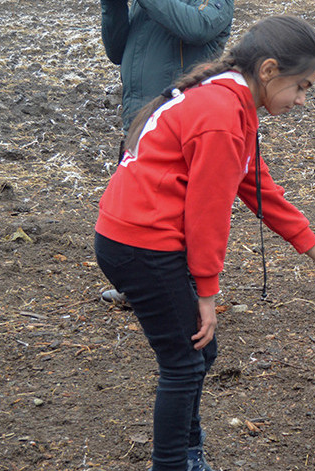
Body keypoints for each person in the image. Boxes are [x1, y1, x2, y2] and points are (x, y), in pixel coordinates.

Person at [93, 16, 315, 471]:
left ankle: (187, 461)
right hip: (140, 243)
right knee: (184, 360)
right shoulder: (222, 113)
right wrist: (207, 294)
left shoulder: (233, 100)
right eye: (302, 86)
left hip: (142, 238)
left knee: (200, 351)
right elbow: (207, 213)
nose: (303, 100)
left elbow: (258, 188)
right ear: (268, 70)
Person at [100, 0, 235, 306]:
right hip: (138, 115)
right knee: (139, 203)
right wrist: (113, 6)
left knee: (179, 208)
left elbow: (195, 28)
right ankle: (139, 286)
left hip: (181, 118)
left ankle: (186, 291)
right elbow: (116, 50)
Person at [100, 0, 234, 132]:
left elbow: (199, 28)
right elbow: (117, 53)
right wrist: (113, 6)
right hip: (136, 123)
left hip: (179, 127)